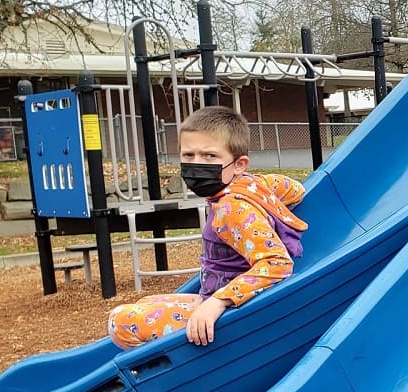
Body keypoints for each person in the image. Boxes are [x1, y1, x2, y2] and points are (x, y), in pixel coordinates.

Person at [107, 106, 307, 349]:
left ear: (239, 164)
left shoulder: (232, 208)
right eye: (188, 155)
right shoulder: (253, 184)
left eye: (210, 156)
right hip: (218, 298)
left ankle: (178, 370)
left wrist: (218, 302)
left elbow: (277, 263)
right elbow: (295, 189)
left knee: (121, 321)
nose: (196, 164)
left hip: (231, 313)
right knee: (149, 300)